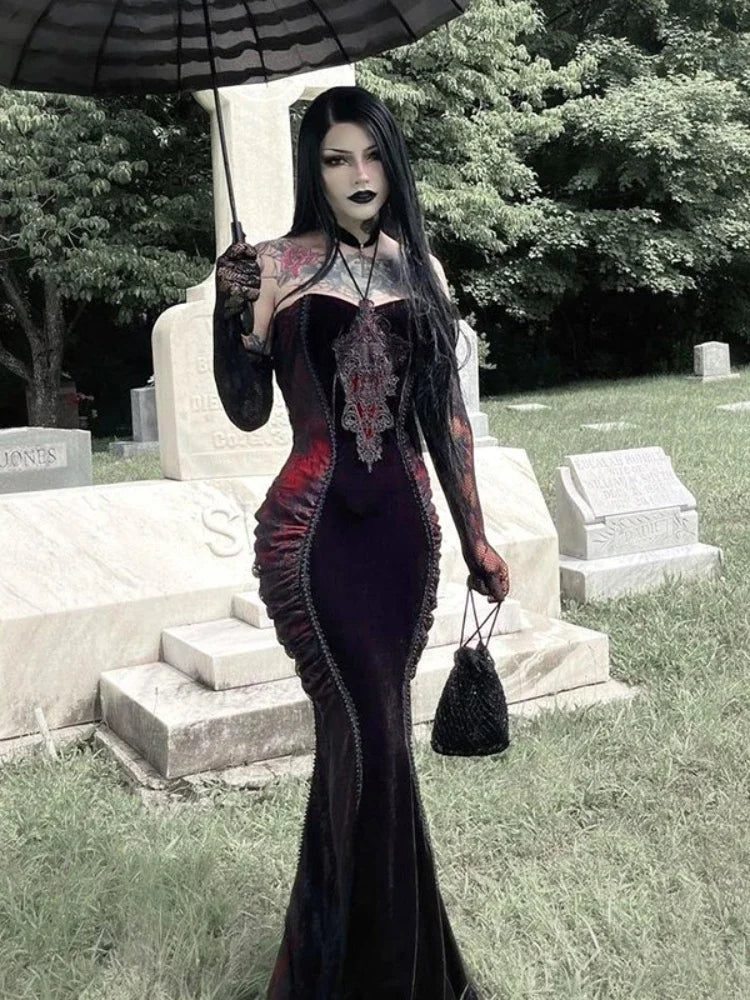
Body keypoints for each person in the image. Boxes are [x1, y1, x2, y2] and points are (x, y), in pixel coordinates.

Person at [213, 85, 510, 1000]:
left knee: (368, 747)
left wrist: (477, 539)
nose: (359, 174)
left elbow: (446, 418)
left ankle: (337, 959)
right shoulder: (275, 265)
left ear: (393, 162)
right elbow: (246, 408)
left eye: (372, 154)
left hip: (404, 540)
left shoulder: (420, 270)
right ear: (316, 170)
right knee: (372, 739)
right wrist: (235, 316)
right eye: (338, 159)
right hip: (313, 539)